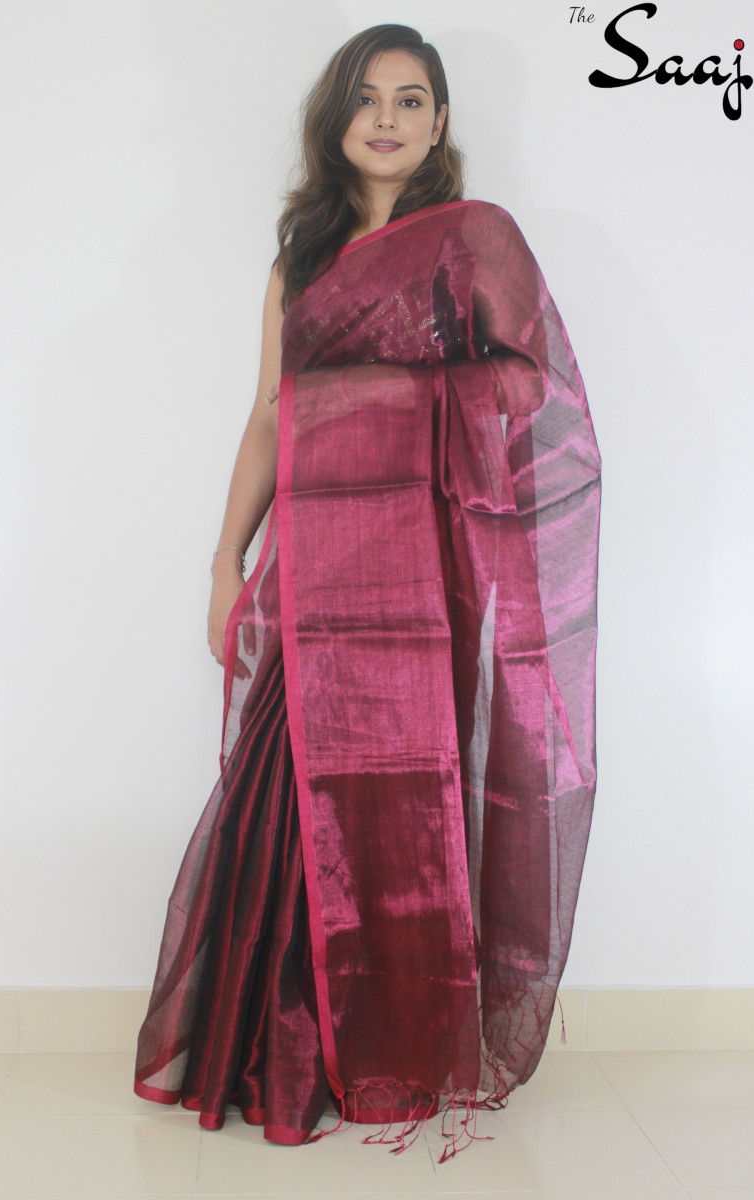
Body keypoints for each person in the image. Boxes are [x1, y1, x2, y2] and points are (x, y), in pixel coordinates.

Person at [134, 24, 602, 1163]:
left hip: (428, 572)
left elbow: (534, 387)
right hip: (314, 568)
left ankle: (398, 1042)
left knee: (410, 803)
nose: (387, 118)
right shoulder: (299, 262)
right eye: (367, 98)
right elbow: (270, 418)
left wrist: (400, 396)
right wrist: (225, 558)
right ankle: (277, 1049)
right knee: (288, 793)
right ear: (335, 118)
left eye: (411, 99)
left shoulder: (476, 243)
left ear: (440, 124)